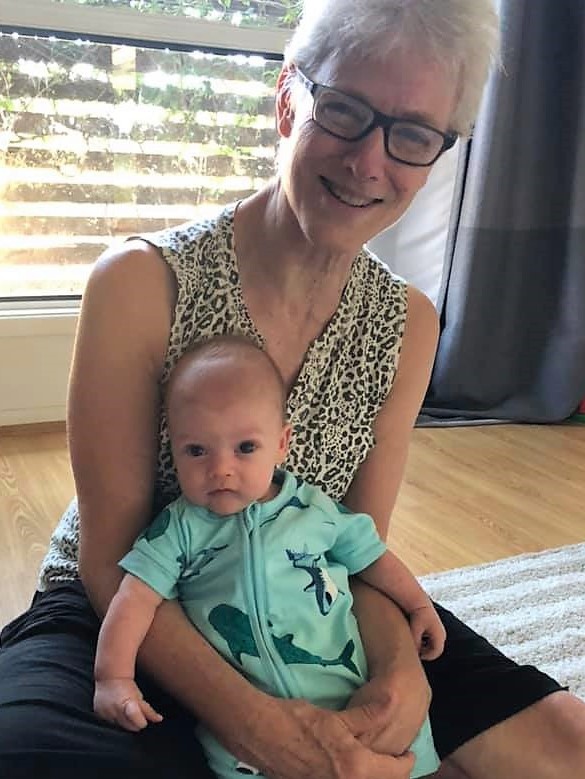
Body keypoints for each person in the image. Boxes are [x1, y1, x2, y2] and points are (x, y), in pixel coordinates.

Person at [1, 0, 584, 777]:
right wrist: (265, 728)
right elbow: (110, 559)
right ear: (287, 100)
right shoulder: (141, 283)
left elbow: (360, 546)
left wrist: (400, 675)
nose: (368, 162)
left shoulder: (406, 323)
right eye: (343, 110)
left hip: (308, 601)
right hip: (124, 613)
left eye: (412, 134)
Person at [93, 334, 442, 779]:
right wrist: (113, 677)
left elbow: (372, 557)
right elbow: (133, 599)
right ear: (173, 449)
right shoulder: (178, 528)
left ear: (281, 443)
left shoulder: (314, 510)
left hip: (355, 697)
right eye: (196, 450)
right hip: (247, 735)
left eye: (245, 448)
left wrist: (418, 604)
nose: (221, 469)